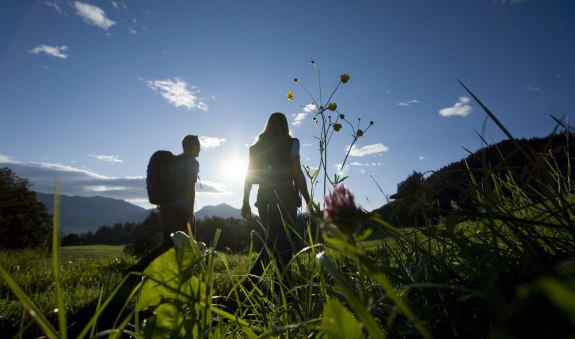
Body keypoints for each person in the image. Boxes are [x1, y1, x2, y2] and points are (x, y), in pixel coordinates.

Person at [241, 112, 311, 278]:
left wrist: (245, 202)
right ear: (286, 125)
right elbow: (297, 172)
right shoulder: (292, 143)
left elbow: (249, 176)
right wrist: (308, 199)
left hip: (263, 196)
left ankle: (280, 284)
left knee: (272, 241)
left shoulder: (256, 147)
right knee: (282, 242)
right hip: (285, 195)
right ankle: (256, 284)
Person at [129, 134, 201, 273]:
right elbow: (189, 188)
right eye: (198, 145)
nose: (200, 149)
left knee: (168, 244)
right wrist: (190, 214)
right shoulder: (192, 162)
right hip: (181, 209)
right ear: (192, 146)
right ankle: (186, 275)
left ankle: (138, 269)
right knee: (188, 244)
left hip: (166, 207)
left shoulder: (175, 161)